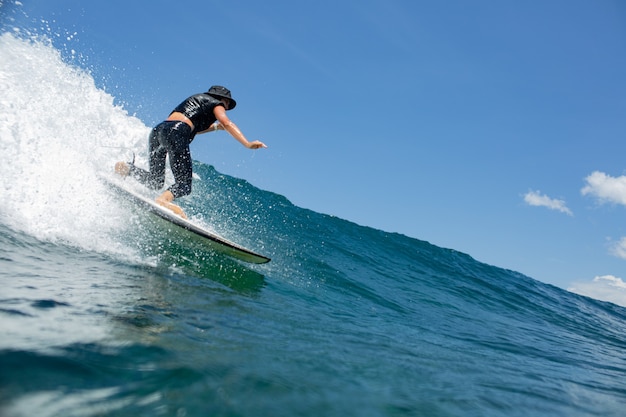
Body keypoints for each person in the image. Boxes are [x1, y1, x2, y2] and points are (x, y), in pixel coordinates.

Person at [115, 85, 267, 219]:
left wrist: (215, 127)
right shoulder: (217, 103)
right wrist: (248, 144)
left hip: (158, 131)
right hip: (176, 132)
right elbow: (227, 123)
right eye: (227, 103)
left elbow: (187, 125)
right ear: (221, 98)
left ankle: (127, 169)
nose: (226, 107)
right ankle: (163, 200)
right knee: (184, 185)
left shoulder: (193, 101)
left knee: (155, 181)